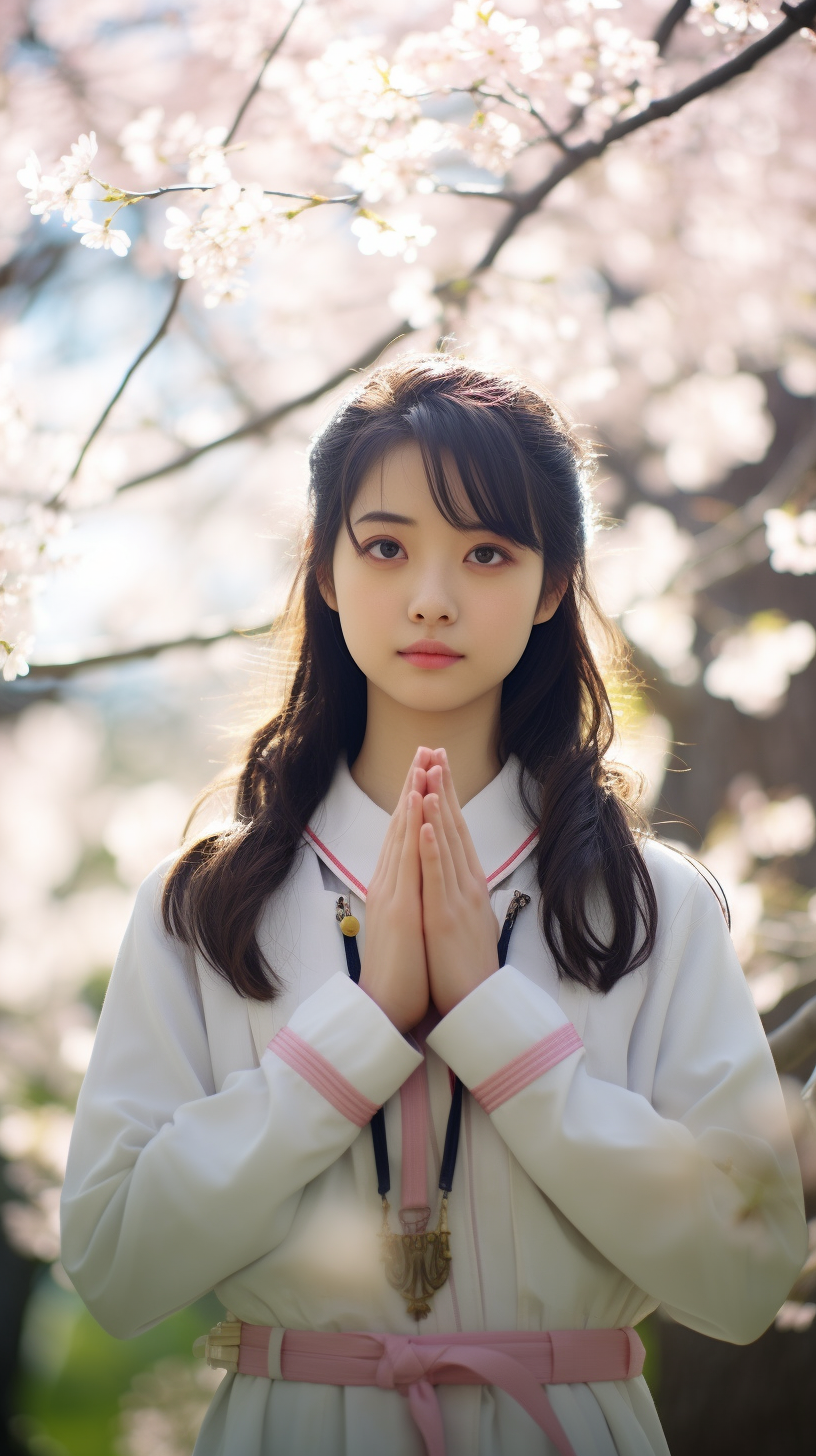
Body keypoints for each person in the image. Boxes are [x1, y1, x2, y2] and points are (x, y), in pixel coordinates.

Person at [61, 356, 806, 1456]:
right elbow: (116, 1267)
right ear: (324, 567)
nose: (431, 597)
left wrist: (501, 1030)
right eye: (387, 544)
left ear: (553, 585)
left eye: (488, 552)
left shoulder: (653, 905)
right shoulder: (205, 906)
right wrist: (358, 1033)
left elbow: (746, 1274)